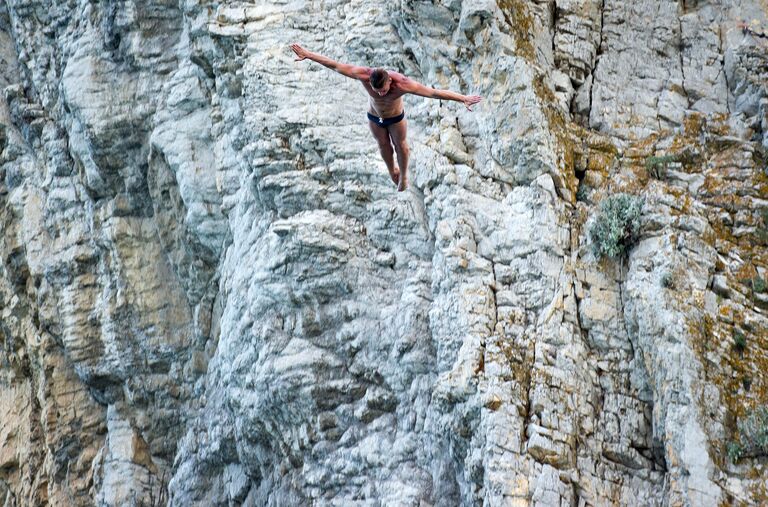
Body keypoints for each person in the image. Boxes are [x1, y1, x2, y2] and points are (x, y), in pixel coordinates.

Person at [290, 43, 482, 191]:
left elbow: (433, 93)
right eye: (377, 91)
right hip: (374, 118)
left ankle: (404, 176)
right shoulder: (363, 75)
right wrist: (308, 55)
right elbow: (335, 65)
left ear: (390, 81)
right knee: (383, 146)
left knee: (402, 146)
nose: (381, 94)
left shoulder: (403, 84)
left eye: (383, 91)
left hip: (395, 119)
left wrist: (462, 98)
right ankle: (393, 171)